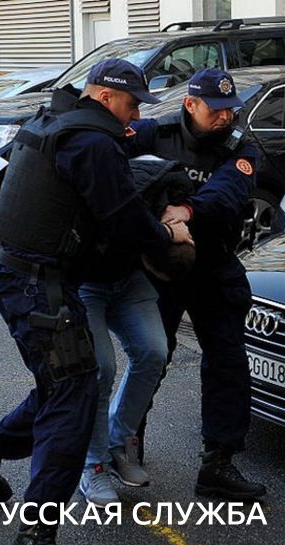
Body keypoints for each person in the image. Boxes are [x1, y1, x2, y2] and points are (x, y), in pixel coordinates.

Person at [0, 58, 191, 545]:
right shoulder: (92, 141)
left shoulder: (55, 121)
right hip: (39, 288)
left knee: (63, 389)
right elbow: (125, 221)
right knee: (73, 400)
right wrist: (168, 234)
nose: (135, 114)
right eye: (131, 104)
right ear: (104, 96)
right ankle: (34, 539)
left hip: (30, 280)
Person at [124, 68, 267, 501]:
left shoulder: (240, 147)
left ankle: (218, 462)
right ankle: (125, 444)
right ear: (191, 104)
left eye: (231, 109)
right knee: (150, 358)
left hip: (214, 264)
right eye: (216, 110)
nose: (226, 117)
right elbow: (108, 158)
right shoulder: (154, 133)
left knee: (227, 362)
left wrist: (186, 210)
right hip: (162, 268)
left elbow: (228, 191)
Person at [76, 157, 195, 505]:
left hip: (128, 279)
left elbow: (190, 205)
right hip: (86, 280)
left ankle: (117, 446)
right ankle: (93, 465)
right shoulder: (130, 211)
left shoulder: (167, 199)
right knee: (101, 368)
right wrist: (166, 233)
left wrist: (184, 215)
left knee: (154, 351)